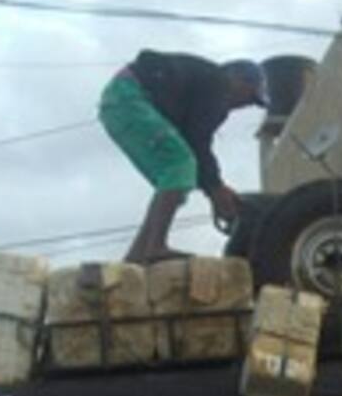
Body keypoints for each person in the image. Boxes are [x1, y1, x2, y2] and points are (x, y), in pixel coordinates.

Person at [99, 51, 268, 264]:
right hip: (130, 98)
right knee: (181, 164)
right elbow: (197, 140)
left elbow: (192, 142)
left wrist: (213, 189)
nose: (245, 105)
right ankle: (155, 246)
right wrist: (216, 188)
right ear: (237, 78)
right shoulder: (218, 83)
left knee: (175, 183)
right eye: (250, 96)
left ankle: (137, 255)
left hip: (119, 102)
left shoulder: (202, 88)